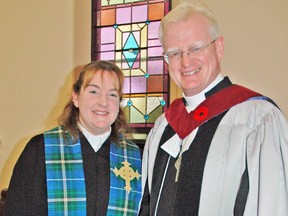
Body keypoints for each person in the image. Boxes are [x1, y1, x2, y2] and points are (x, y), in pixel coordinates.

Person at [140, 2, 288, 216]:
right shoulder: (164, 126)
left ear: (219, 48)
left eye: (196, 48)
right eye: (174, 53)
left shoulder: (257, 120)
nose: (186, 61)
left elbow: (273, 206)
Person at [5, 60, 142, 215]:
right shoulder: (42, 149)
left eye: (112, 94)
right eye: (93, 91)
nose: (104, 102)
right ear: (76, 97)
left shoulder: (134, 157)